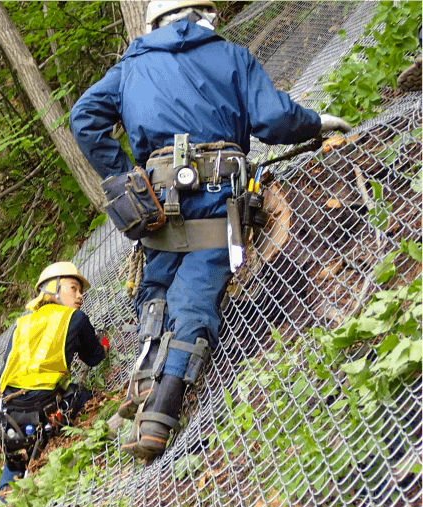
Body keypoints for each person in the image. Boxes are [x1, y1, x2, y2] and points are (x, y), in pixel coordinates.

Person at [69, 0, 352, 460]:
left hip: (156, 200)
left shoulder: (130, 68)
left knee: (155, 283)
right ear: (203, 15)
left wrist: (125, 177)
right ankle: (163, 409)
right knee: (198, 289)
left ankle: (145, 374)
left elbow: (84, 119)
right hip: (219, 195)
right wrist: (316, 122)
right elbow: (274, 120)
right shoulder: (231, 56)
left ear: (155, 22)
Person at [0, 262, 106, 507]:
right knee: (83, 395)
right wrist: (103, 344)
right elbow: (94, 358)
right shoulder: (75, 317)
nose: (79, 295)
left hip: (9, 409)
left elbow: (6, 368)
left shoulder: (23, 323)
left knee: (13, 464)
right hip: (45, 406)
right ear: (52, 289)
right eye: (73, 288)